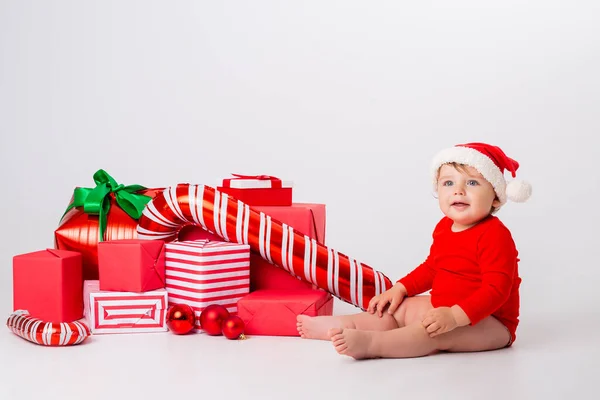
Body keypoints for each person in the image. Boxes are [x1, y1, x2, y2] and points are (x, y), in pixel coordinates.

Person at [297, 142, 532, 359]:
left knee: (434, 332)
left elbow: (496, 290)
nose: (458, 191)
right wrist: (400, 288)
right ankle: (341, 324)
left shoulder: (494, 235)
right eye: (448, 183)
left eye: (472, 183)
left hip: (489, 321)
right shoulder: (444, 227)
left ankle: (373, 344)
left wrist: (454, 317)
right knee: (400, 309)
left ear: (496, 198)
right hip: (445, 306)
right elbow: (433, 267)